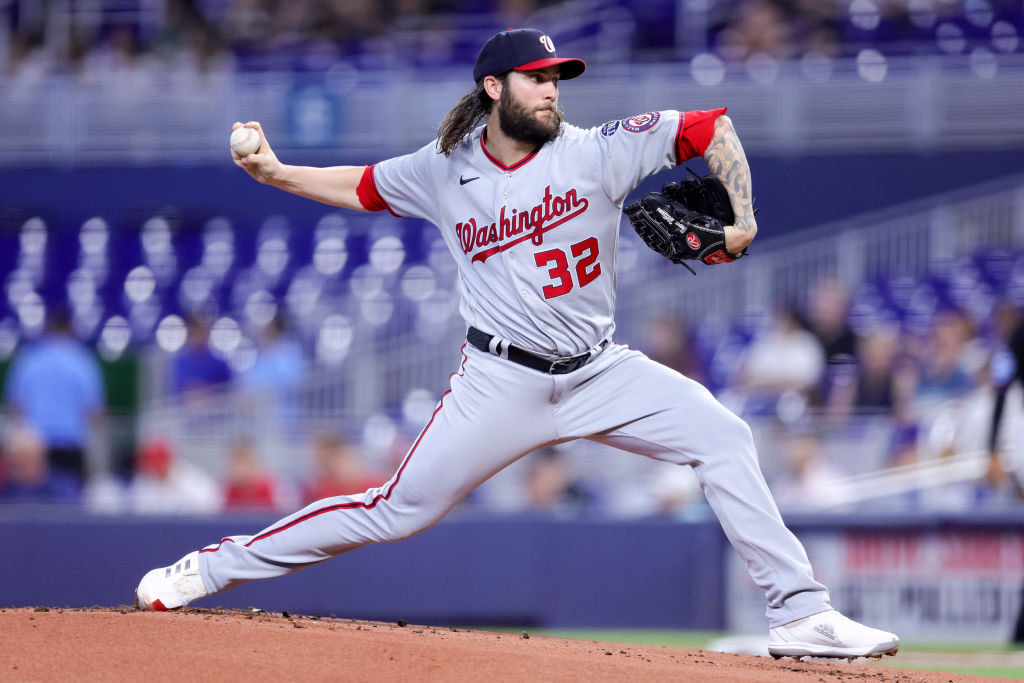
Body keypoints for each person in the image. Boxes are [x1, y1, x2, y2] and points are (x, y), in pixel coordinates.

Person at [136, 28, 898, 660]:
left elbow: (709, 126)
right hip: (499, 382)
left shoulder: (599, 148)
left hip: (601, 369)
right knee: (393, 509)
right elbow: (361, 185)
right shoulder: (443, 169)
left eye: (557, 78)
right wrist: (274, 173)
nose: (552, 89)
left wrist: (744, 216)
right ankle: (209, 568)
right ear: (494, 89)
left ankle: (800, 612)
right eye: (536, 78)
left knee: (724, 436)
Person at [4, 307, 104, 485]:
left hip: (33, 448)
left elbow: (17, 405)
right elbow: (93, 410)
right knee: (70, 505)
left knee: (31, 506)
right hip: (70, 445)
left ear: (48, 327)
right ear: (71, 328)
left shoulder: (29, 358)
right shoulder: (83, 360)